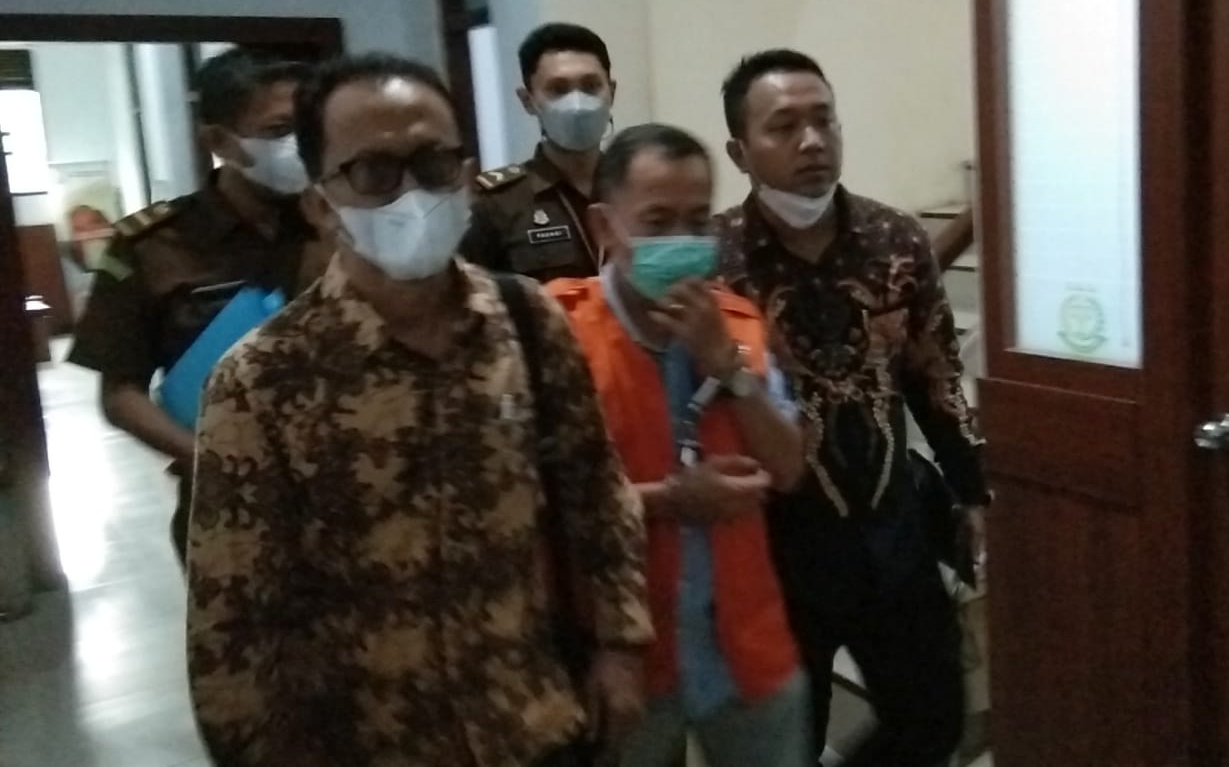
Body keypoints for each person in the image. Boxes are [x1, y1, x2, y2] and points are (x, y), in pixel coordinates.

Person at [185, 53, 653, 766]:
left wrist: (621, 646)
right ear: (320, 203)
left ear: (465, 176)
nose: (413, 193)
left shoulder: (528, 319)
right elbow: (234, 622)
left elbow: (597, 492)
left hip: (538, 723)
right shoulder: (261, 379)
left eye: (434, 164)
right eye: (374, 172)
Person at [713, 49, 990, 767]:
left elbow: (936, 374)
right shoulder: (715, 258)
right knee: (784, 744)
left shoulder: (893, 239)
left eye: (824, 120)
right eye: (784, 127)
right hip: (774, 548)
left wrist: (971, 491)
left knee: (933, 721)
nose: (811, 141)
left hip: (891, 527)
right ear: (740, 151)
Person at [547, 123, 811, 767]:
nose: (681, 241)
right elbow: (531, 504)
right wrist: (669, 500)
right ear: (606, 226)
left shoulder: (738, 323)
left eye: (697, 221)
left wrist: (727, 367)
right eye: (657, 221)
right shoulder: (556, 333)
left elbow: (788, 469)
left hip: (746, 652)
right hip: (623, 659)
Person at [67, 46, 327, 558]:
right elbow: (120, 394)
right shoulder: (153, 245)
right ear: (218, 141)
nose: (300, 145)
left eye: (309, 128)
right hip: (229, 506)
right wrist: (210, 463)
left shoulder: (340, 221)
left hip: (348, 485)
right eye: (279, 130)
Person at [461, 22, 616, 280]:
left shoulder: (634, 188)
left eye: (590, 86)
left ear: (611, 92)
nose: (577, 104)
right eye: (558, 89)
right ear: (528, 101)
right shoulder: (496, 203)